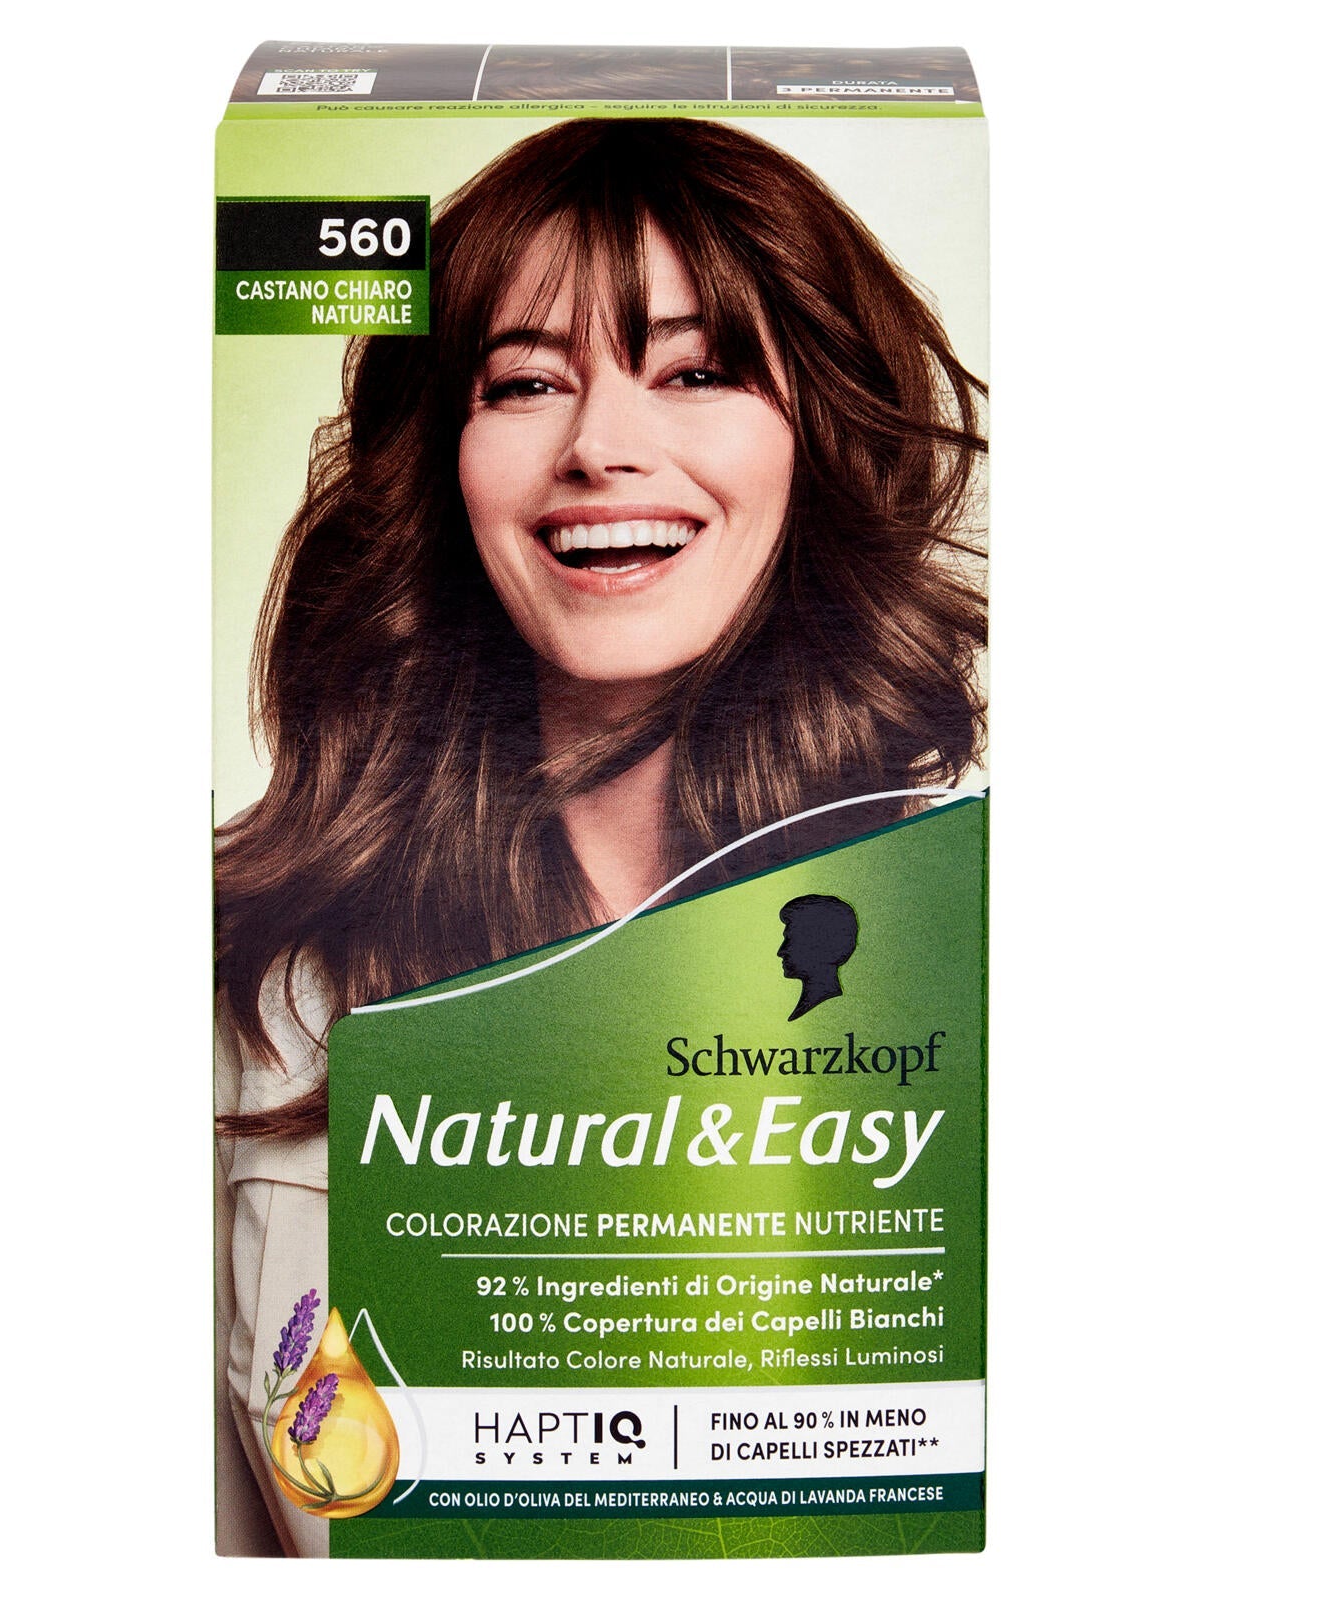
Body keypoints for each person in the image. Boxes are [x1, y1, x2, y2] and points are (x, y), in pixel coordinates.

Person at [214, 116, 987, 1555]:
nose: (600, 448)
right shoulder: (258, 976)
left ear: (818, 437)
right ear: (444, 460)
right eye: (524, 383)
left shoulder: (978, 945)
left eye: (696, 371)